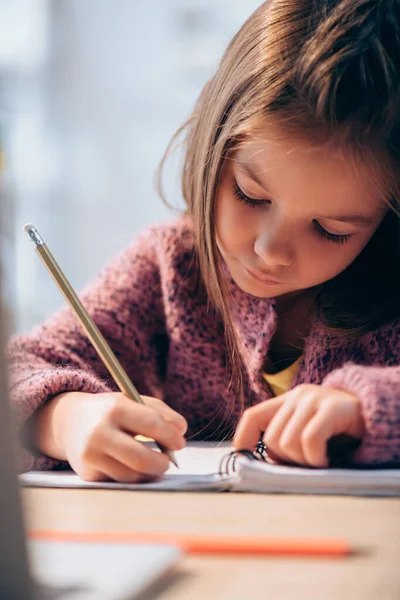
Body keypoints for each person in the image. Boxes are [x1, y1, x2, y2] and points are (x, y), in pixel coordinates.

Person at [8, 0, 400, 481]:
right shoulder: (172, 265)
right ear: (214, 142)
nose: (269, 251)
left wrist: (374, 410)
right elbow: (18, 369)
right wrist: (64, 417)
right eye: (250, 195)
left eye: (331, 229)